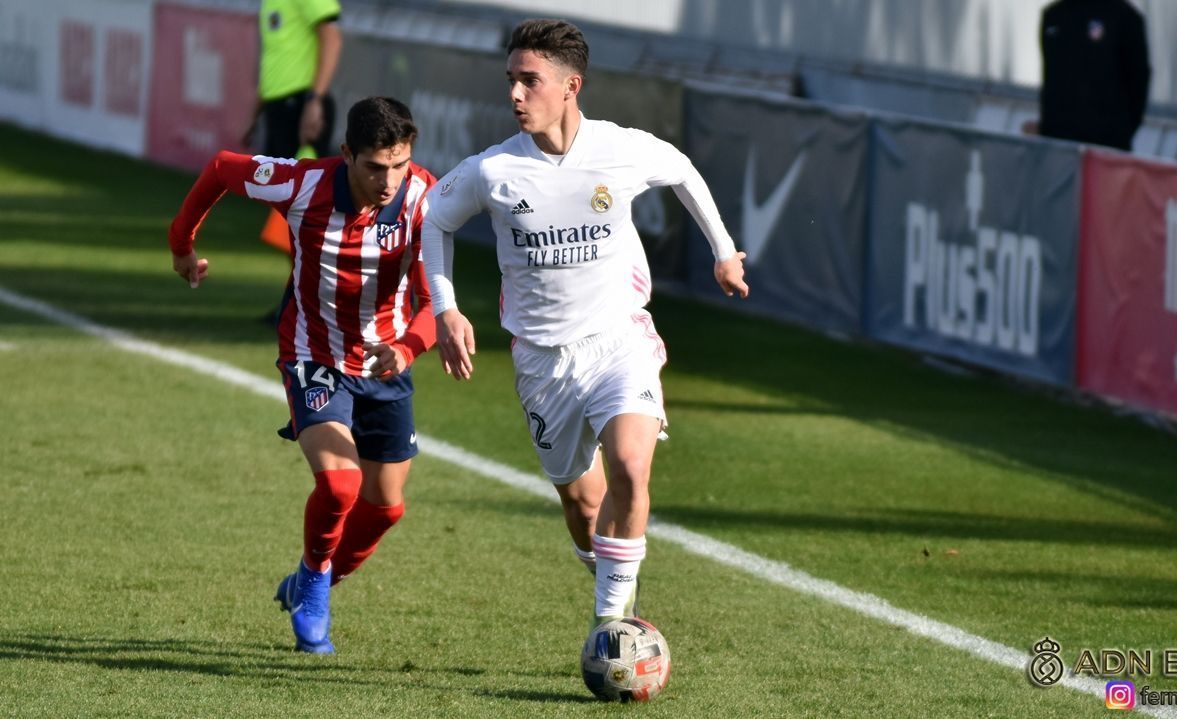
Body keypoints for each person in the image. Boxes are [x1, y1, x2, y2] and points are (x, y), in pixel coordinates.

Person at [422, 19, 749, 630]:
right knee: (583, 504)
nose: (515, 94)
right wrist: (445, 307)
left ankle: (612, 628)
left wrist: (723, 252)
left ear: (571, 85)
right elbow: (434, 219)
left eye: (530, 80)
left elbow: (681, 168)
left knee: (630, 466)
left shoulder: (618, 148)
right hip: (543, 361)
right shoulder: (493, 171)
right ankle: (614, 590)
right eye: (511, 80)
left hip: (618, 339)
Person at [168, 97, 437, 654]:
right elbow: (221, 167)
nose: (388, 181)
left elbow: (434, 302)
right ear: (347, 154)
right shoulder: (301, 185)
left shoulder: (424, 197)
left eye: (399, 164)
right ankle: (315, 587)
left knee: (386, 508)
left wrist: (408, 347)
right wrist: (182, 246)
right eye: (375, 167)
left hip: (386, 363)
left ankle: (309, 582)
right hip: (313, 354)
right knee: (340, 484)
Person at [244, 0, 344, 258]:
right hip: (279, 108)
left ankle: (317, 280)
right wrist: (255, 116)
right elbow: (274, 62)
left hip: (301, 106)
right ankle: (301, 281)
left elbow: (332, 38)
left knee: (306, 206)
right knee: (288, 208)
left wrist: (314, 100)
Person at [1034, 0, 1151, 151]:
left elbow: (1138, 80)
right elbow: (1050, 79)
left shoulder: (1124, 17)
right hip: (1057, 141)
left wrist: (1119, 132)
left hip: (1106, 144)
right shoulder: (1054, 15)